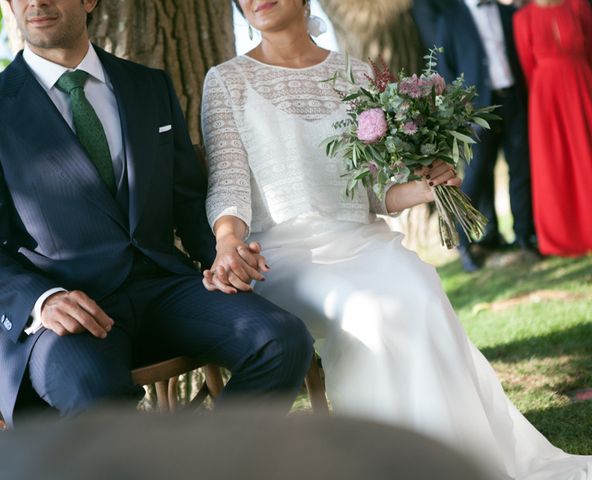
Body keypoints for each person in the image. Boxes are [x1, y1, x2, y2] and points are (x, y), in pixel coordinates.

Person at [200, 0, 591, 477]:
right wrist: (226, 242)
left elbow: (375, 192)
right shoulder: (225, 80)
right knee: (369, 309)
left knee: (418, 287)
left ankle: (460, 458)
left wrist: (427, 186)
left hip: (363, 239)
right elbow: (228, 187)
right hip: (284, 254)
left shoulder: (357, 74)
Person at [0, 0, 314, 427]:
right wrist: (41, 301)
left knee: (283, 340)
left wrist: (221, 253)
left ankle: (211, 462)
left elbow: (187, 199)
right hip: (71, 310)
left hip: (165, 287)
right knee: (95, 397)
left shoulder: (149, 86)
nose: (37, 2)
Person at [436, 0, 537, 272]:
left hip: (513, 99)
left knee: (521, 171)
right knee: (477, 175)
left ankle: (525, 237)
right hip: (476, 110)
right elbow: (444, 69)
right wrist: (460, 110)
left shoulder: (507, 13)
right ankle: (464, 244)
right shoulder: (450, 18)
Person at [513, 0, 592, 256]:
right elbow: (527, 65)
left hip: (583, 86)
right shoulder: (522, 18)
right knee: (555, 163)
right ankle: (564, 234)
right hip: (546, 98)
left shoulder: (578, 6)